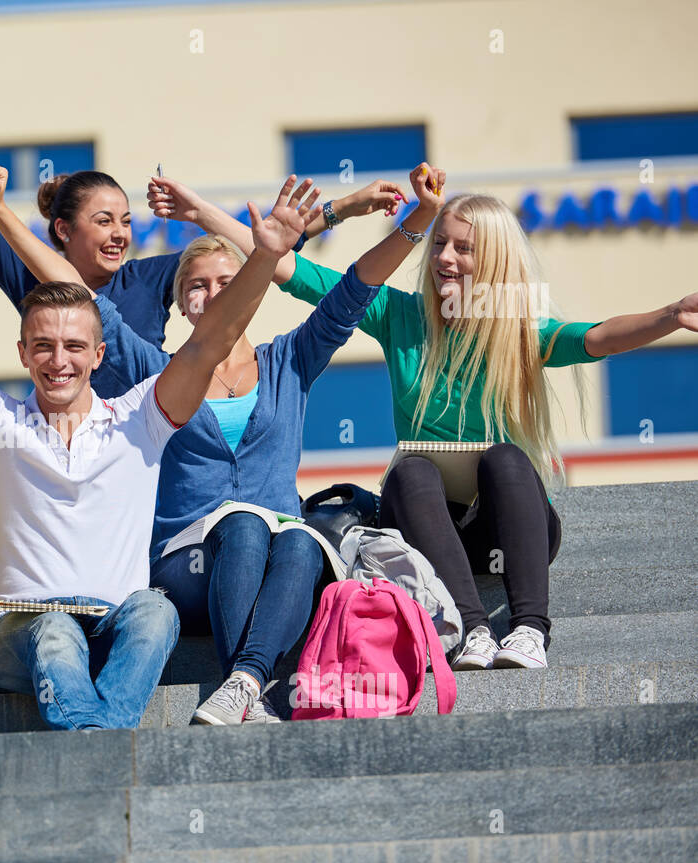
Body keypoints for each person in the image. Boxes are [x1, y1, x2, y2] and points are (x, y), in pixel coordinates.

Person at [0, 48, 403, 646]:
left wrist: (348, 207)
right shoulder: (36, 280)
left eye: (125, 220)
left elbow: (253, 255)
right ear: (62, 233)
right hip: (55, 458)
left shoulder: (154, 278)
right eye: (103, 222)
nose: (120, 233)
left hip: (139, 455)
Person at [0, 161, 318, 729]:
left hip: (115, 626)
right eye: (43, 346)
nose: (58, 361)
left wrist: (264, 258)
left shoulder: (139, 419)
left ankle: (92, 739)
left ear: (99, 355)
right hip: (22, 631)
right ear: (22, 353)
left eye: (73, 347)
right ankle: (101, 741)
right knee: (57, 628)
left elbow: (208, 342)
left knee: (156, 609)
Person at [0, 161, 417, 724]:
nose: (211, 295)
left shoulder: (287, 361)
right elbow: (81, 299)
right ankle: (246, 680)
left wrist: (416, 222)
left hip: (277, 570)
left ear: (251, 290)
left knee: (303, 541)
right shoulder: (158, 376)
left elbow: (355, 291)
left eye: (226, 284)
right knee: (243, 522)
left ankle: (243, 683)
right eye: (197, 287)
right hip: (185, 567)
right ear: (182, 305)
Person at [261, 166, 698, 670]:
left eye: (463, 249)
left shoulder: (517, 325)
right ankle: (473, 631)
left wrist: (669, 316)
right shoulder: (397, 314)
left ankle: (530, 630)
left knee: (507, 458)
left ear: (492, 259)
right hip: (425, 531)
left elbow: (596, 338)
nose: (444, 257)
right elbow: (280, 265)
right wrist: (337, 211)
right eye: (439, 243)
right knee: (411, 469)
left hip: (506, 530)